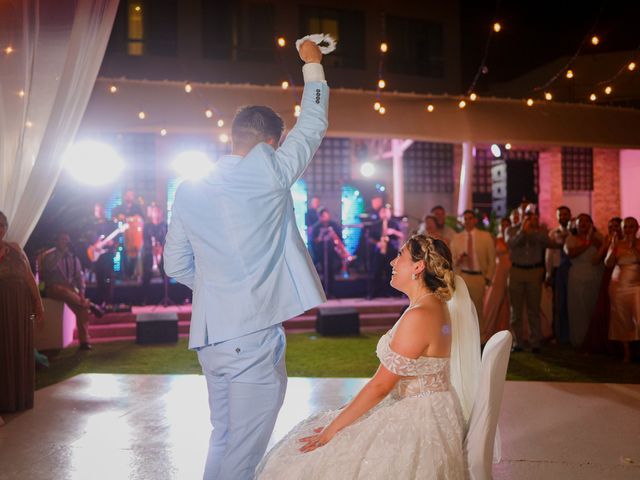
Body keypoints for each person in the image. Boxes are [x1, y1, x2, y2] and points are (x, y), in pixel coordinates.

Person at [163, 40, 328, 480]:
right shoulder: (270, 170)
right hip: (251, 336)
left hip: (209, 338)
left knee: (223, 437)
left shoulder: (190, 188)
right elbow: (311, 125)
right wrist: (313, 65)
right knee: (245, 452)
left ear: (233, 136)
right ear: (272, 144)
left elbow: (174, 265)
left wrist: (219, 288)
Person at [256, 235, 481, 479]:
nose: (392, 263)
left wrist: (332, 430)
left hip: (418, 418)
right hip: (415, 403)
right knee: (317, 432)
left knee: (307, 458)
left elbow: (381, 386)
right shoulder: (429, 306)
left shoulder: (421, 315)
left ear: (418, 267)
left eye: (400, 257)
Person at [0, 211, 44, 413]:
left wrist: (38, 303)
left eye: (2, 225)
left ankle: (19, 399)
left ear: (6, 228)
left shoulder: (16, 249)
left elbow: (28, 278)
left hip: (20, 308)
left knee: (18, 348)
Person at [506, 207, 555, 353]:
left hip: (534, 271)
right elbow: (511, 244)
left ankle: (535, 342)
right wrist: (522, 231)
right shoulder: (511, 229)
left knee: (534, 309)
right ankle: (517, 342)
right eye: (524, 215)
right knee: (516, 310)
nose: (527, 218)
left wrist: (532, 232)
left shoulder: (540, 230)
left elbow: (547, 242)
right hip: (516, 271)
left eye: (530, 215)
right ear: (519, 216)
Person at [40, 233, 94, 350]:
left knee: (82, 309)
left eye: (67, 240)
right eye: (62, 239)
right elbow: (48, 269)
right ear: (56, 241)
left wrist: (82, 293)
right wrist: (60, 254)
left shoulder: (74, 258)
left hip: (69, 289)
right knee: (65, 292)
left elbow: (79, 278)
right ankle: (88, 303)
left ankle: (84, 342)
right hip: (53, 287)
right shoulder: (49, 256)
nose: (65, 242)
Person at [450, 210, 496, 333]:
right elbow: (451, 260)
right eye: (465, 219)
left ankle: (481, 340)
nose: (467, 221)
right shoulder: (457, 238)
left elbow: (492, 259)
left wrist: (488, 278)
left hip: (478, 277)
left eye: (470, 218)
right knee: (462, 310)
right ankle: (464, 338)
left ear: (475, 220)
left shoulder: (485, 236)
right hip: (462, 276)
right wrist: (458, 259)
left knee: (477, 310)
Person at [583, 217, 622, 353]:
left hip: (623, 277)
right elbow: (595, 260)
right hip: (607, 276)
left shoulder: (626, 242)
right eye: (610, 227)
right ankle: (604, 342)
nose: (613, 230)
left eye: (616, 226)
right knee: (603, 308)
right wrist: (605, 246)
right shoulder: (606, 240)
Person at [565, 214, 604, 347]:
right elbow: (571, 253)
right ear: (575, 224)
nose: (583, 223)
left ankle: (594, 340)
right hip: (577, 276)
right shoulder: (571, 238)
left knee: (592, 306)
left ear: (591, 224)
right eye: (580, 221)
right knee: (579, 308)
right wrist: (587, 243)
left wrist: (592, 239)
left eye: (586, 221)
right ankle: (580, 340)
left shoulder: (598, 237)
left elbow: (603, 250)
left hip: (595, 274)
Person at [606, 216, 640, 363]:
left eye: (632, 226)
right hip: (618, 285)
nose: (628, 229)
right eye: (626, 227)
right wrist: (613, 249)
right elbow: (607, 264)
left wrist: (634, 248)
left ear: (637, 228)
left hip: (637, 285)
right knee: (622, 319)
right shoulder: (617, 243)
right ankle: (627, 353)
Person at [482, 216, 512, 343]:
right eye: (503, 224)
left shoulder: (513, 239)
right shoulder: (495, 239)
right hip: (499, 271)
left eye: (507, 224)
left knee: (510, 301)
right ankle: (489, 331)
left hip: (511, 270)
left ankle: (510, 331)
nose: (505, 226)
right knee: (495, 300)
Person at [545, 206, 572, 344]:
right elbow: (548, 255)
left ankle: (572, 334)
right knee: (558, 304)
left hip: (572, 270)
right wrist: (548, 274)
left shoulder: (575, 232)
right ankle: (558, 334)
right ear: (557, 217)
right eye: (560, 215)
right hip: (557, 270)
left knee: (572, 303)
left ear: (570, 215)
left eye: (565, 214)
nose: (563, 217)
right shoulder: (553, 233)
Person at [368, 204, 404, 297]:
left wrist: (393, 232)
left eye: (386, 211)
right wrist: (377, 243)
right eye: (382, 211)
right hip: (379, 251)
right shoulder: (375, 224)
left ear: (390, 213)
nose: (384, 213)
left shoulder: (394, 223)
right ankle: (374, 293)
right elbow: (369, 238)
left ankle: (391, 293)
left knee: (390, 272)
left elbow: (401, 235)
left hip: (391, 250)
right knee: (376, 272)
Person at [86, 202, 116, 306]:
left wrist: (112, 243)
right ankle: (100, 300)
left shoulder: (110, 223)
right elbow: (88, 239)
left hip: (107, 255)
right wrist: (94, 245)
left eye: (100, 210)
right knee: (99, 278)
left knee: (109, 278)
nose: (98, 212)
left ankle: (109, 301)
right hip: (97, 256)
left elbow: (117, 239)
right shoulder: (92, 225)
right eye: (96, 210)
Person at [112, 189, 145, 279]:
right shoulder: (120, 207)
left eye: (131, 195)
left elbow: (141, 219)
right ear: (124, 196)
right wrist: (120, 217)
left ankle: (134, 274)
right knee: (122, 253)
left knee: (135, 255)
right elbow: (114, 217)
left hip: (134, 237)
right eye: (127, 195)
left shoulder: (137, 208)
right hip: (122, 235)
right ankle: (123, 274)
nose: (129, 197)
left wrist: (132, 219)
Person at [311, 208, 343, 296]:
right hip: (321, 253)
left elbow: (339, 238)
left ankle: (332, 291)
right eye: (323, 216)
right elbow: (313, 242)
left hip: (332, 253)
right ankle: (323, 292)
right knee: (323, 272)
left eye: (326, 215)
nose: (325, 217)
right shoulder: (316, 227)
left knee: (331, 272)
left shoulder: (334, 225)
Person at [141, 203, 167, 304]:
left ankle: (164, 298)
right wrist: (153, 249)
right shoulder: (147, 226)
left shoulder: (165, 226)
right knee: (146, 276)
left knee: (166, 274)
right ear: (151, 214)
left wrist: (162, 249)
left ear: (161, 213)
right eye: (154, 212)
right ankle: (145, 299)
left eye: (158, 212)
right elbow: (145, 241)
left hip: (163, 254)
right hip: (149, 255)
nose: (156, 214)